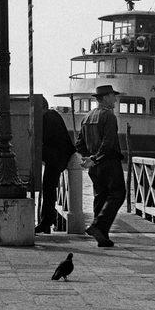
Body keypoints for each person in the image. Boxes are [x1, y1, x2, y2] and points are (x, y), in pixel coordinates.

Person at [75, 84, 126, 248]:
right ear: (105, 98)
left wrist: (89, 158)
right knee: (118, 193)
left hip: (94, 166)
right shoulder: (109, 116)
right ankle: (98, 226)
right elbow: (108, 143)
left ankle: (102, 237)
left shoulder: (87, 117)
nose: (115, 100)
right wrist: (95, 158)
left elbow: (79, 144)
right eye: (113, 96)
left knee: (100, 196)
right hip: (108, 162)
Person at [36, 106, 78, 234]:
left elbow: (45, 138)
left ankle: (47, 221)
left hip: (56, 158)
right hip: (58, 156)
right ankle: (48, 220)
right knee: (48, 189)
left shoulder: (48, 117)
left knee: (48, 189)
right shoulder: (52, 115)